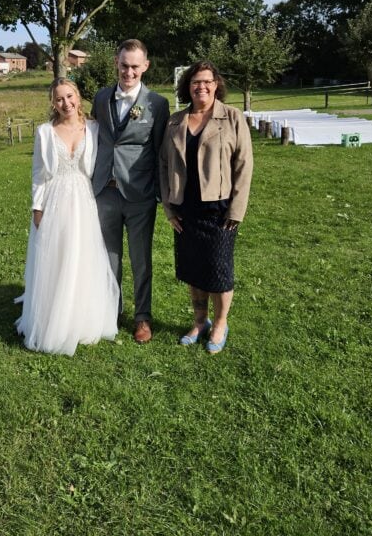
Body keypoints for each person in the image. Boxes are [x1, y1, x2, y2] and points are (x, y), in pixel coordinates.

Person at [15, 78, 120, 355]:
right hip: (56, 200)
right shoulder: (45, 132)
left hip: (84, 200)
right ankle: (52, 318)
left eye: (70, 96)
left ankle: (81, 318)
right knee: (55, 259)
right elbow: (39, 173)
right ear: (53, 103)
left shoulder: (94, 128)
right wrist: (37, 208)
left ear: (78, 97)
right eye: (60, 99)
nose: (66, 104)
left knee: (82, 257)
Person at [159, 61, 253, 354]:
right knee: (193, 269)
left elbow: (243, 165)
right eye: (195, 82)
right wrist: (169, 209)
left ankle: (221, 324)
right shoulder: (175, 121)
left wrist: (236, 210)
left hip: (220, 209)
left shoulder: (232, 117)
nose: (201, 86)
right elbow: (163, 165)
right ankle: (200, 321)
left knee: (219, 270)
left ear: (216, 84)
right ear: (187, 86)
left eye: (206, 81)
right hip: (185, 208)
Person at [92, 39, 170, 344]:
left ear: (145, 66)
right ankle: (112, 311)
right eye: (124, 65)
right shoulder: (100, 98)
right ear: (116, 62)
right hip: (104, 192)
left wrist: (162, 197)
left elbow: (161, 152)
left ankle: (142, 318)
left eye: (135, 66)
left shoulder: (157, 104)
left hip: (139, 194)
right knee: (109, 258)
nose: (129, 71)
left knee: (141, 260)